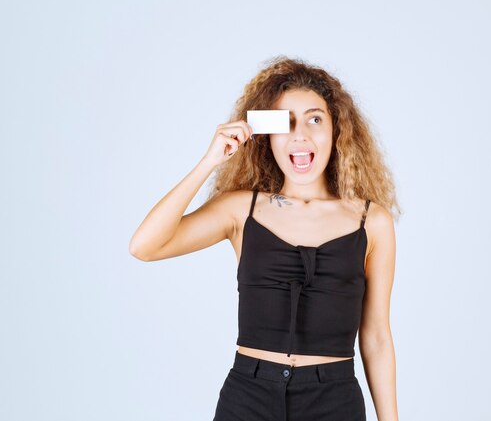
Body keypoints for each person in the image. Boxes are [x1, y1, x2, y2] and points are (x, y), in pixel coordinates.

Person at [129, 56, 401, 421]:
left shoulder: (372, 222)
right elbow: (145, 246)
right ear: (266, 134)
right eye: (285, 123)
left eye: (314, 119)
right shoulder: (241, 210)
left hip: (333, 401)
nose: (300, 135)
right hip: (249, 398)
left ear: (337, 131)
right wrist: (211, 160)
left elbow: (377, 338)